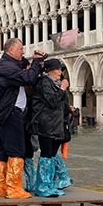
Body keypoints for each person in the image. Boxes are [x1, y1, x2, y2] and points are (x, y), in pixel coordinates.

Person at [0, 38, 45, 199]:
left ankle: (0, 187)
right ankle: (13, 188)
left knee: (5, 150)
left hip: (3, 113)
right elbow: (28, 78)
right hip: (9, 112)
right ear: (11, 50)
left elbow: (23, 72)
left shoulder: (4, 65)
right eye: (20, 49)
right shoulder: (6, 66)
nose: (23, 52)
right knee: (17, 150)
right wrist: (35, 62)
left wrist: (37, 64)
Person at [27, 59, 72, 197]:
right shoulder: (44, 83)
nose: (60, 72)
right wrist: (62, 89)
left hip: (55, 124)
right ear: (49, 70)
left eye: (61, 69)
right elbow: (52, 101)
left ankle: (50, 185)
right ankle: (42, 187)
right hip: (45, 124)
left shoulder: (55, 84)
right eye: (57, 69)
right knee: (46, 155)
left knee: (52, 155)